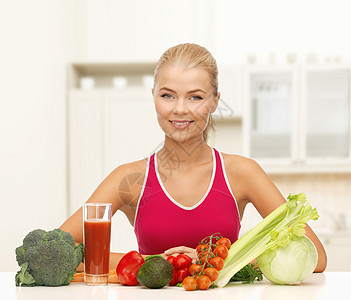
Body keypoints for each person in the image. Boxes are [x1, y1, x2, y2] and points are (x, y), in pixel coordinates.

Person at [60, 43, 327, 272]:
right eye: (167, 95)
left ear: (214, 102)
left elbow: (315, 256)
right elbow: (60, 250)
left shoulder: (242, 172)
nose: (179, 109)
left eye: (195, 97)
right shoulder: (130, 179)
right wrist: (152, 263)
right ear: (152, 97)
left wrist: (214, 262)